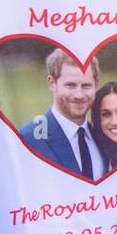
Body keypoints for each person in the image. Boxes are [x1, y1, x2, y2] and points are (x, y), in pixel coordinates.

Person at [19, 49, 105, 180]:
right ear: (52, 84)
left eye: (86, 86)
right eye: (70, 85)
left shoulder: (103, 137)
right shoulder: (28, 139)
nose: (79, 95)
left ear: (96, 86)